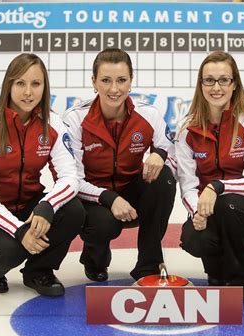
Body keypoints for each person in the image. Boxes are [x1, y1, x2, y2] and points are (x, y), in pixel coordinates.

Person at [0, 53, 85, 296]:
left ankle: (39, 271)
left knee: (73, 210)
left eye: (35, 84)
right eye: (20, 83)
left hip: (27, 203)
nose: (28, 92)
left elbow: (71, 177)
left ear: (44, 87)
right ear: (9, 85)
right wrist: (20, 231)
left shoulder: (53, 124)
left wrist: (47, 206)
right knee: (13, 249)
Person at [63, 48, 176, 282]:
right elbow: (72, 179)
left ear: (131, 81)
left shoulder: (148, 114)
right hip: (94, 199)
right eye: (106, 80)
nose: (114, 89)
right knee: (104, 225)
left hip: (132, 194)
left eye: (121, 80)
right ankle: (94, 258)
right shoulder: (75, 119)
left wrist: (161, 154)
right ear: (93, 82)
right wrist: (109, 198)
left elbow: (173, 149)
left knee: (163, 177)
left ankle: (148, 265)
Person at [175, 51, 244, 299]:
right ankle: (216, 270)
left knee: (230, 205)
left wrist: (217, 186)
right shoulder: (187, 129)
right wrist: (197, 212)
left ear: (234, 83)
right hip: (208, 210)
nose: (216, 87)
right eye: (209, 80)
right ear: (201, 84)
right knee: (194, 238)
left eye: (223, 80)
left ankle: (241, 278)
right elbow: (187, 185)